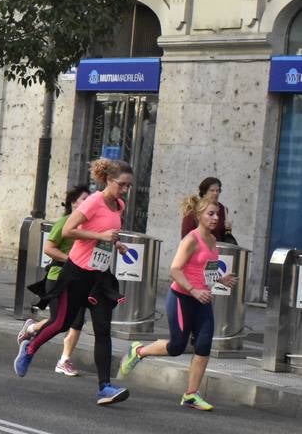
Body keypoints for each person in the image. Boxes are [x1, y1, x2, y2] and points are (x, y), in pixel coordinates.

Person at [13, 158, 134, 406]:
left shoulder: (119, 205)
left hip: (100, 277)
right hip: (76, 271)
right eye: (122, 185)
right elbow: (68, 230)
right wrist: (100, 235)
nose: (125, 191)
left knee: (103, 329)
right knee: (61, 323)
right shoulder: (93, 201)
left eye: (128, 186)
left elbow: (107, 234)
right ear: (109, 181)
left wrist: (116, 243)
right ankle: (29, 349)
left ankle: (105, 387)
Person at [117, 194, 236, 411]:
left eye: (217, 214)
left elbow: (205, 269)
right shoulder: (191, 239)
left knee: (203, 345)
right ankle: (139, 351)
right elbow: (175, 269)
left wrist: (221, 278)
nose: (215, 218)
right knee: (177, 347)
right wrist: (193, 289)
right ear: (199, 215)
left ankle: (191, 394)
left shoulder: (211, 240)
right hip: (182, 298)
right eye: (210, 213)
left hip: (202, 299)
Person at [16, 185, 91, 377]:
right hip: (59, 278)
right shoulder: (65, 222)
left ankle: (37, 335)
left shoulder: (90, 227)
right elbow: (49, 249)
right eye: (84, 199)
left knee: (71, 321)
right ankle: (30, 345)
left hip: (83, 279)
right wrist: (72, 261)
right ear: (74, 203)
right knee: (60, 322)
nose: (88, 202)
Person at [180, 177, 236, 244]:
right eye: (212, 190)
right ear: (204, 193)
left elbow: (222, 236)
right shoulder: (194, 208)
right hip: (199, 250)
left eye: (217, 190)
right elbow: (185, 237)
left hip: (216, 250)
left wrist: (228, 229)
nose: (215, 193)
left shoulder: (223, 209)